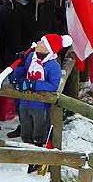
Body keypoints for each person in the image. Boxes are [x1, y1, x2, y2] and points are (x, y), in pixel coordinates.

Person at [9, 34, 68, 169]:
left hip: (40, 105)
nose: (38, 43)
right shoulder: (31, 57)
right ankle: (27, 152)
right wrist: (20, 63)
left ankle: (38, 156)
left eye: (42, 42)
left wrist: (33, 85)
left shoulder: (53, 66)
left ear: (48, 48)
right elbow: (21, 73)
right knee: (25, 127)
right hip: (25, 102)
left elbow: (53, 86)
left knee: (39, 129)